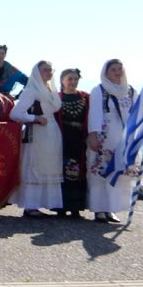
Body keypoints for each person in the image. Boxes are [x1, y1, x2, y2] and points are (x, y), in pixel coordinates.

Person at [87, 59, 140, 224]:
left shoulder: (131, 91)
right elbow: (95, 114)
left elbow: (137, 114)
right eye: (113, 70)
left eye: (119, 69)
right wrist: (93, 135)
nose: (117, 72)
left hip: (126, 138)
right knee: (100, 171)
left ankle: (111, 208)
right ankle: (99, 209)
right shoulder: (99, 90)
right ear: (106, 72)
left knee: (120, 173)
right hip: (106, 136)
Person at [10, 61, 63, 218]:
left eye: (50, 69)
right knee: (35, 167)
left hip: (51, 132)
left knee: (49, 166)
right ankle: (30, 205)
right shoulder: (31, 91)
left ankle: (45, 203)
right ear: (36, 72)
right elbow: (15, 113)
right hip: (37, 133)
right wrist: (35, 118)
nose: (49, 72)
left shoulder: (51, 89)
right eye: (45, 70)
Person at [57, 68, 89, 218]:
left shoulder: (85, 98)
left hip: (79, 138)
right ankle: (61, 207)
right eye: (69, 78)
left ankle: (76, 207)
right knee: (62, 169)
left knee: (78, 168)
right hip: (62, 138)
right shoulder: (57, 98)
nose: (73, 82)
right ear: (62, 80)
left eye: (75, 79)